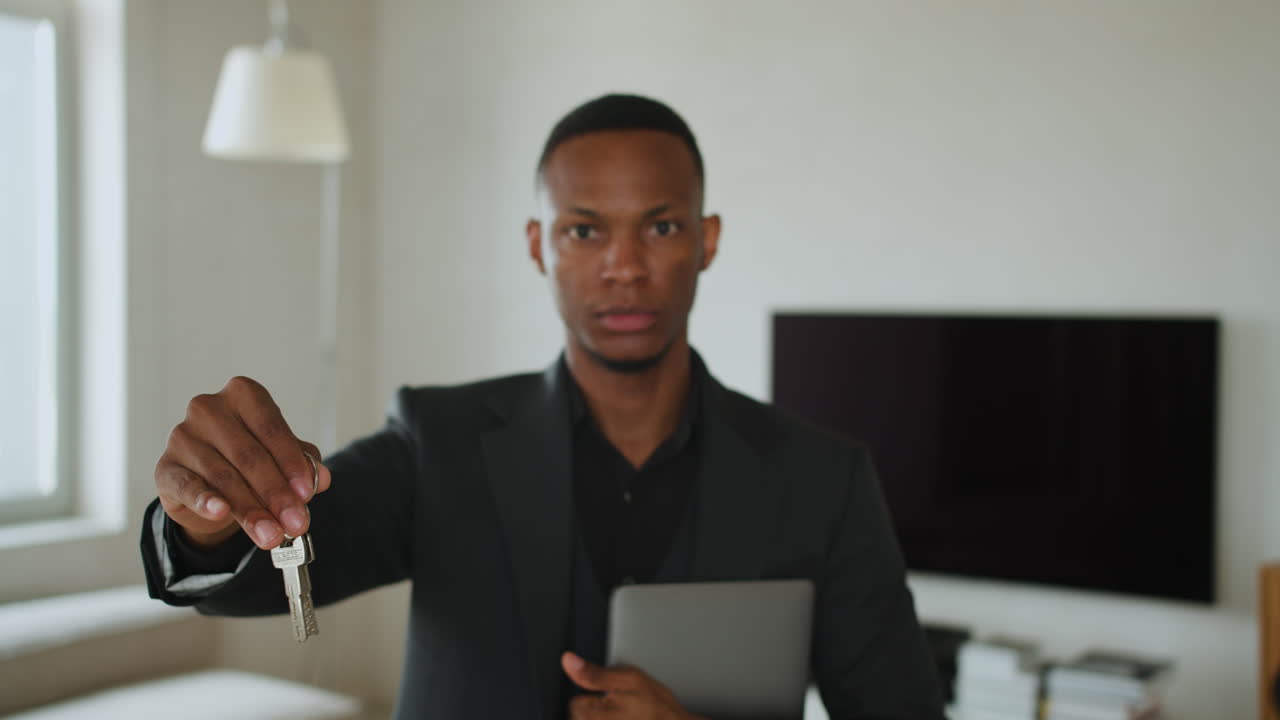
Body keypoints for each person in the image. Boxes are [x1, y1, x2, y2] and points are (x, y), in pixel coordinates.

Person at [141, 94, 945, 719]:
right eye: (585, 232)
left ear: (707, 239)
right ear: (538, 245)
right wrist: (210, 516)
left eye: (660, 227)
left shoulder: (824, 478)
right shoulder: (437, 441)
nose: (624, 267)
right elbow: (259, 573)